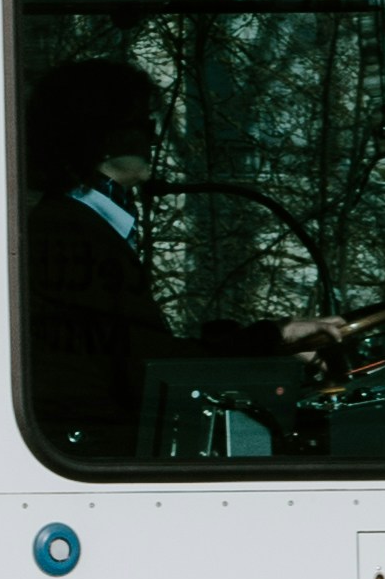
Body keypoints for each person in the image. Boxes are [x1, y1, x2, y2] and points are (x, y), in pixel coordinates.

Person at [18, 52, 307, 464]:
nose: (153, 138)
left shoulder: (80, 224)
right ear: (100, 137)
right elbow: (149, 367)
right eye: (143, 124)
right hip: (95, 456)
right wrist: (272, 345)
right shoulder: (70, 232)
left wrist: (272, 339)